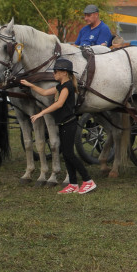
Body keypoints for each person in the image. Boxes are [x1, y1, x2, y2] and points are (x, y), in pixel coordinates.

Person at [22, 58, 96, 194]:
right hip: (62, 124)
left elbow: (59, 104)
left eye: (56, 71)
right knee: (66, 155)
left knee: (70, 154)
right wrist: (29, 84)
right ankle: (73, 184)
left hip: (69, 124)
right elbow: (44, 92)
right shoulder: (60, 86)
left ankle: (88, 181)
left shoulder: (67, 86)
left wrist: (41, 113)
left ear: (64, 73)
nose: (53, 74)